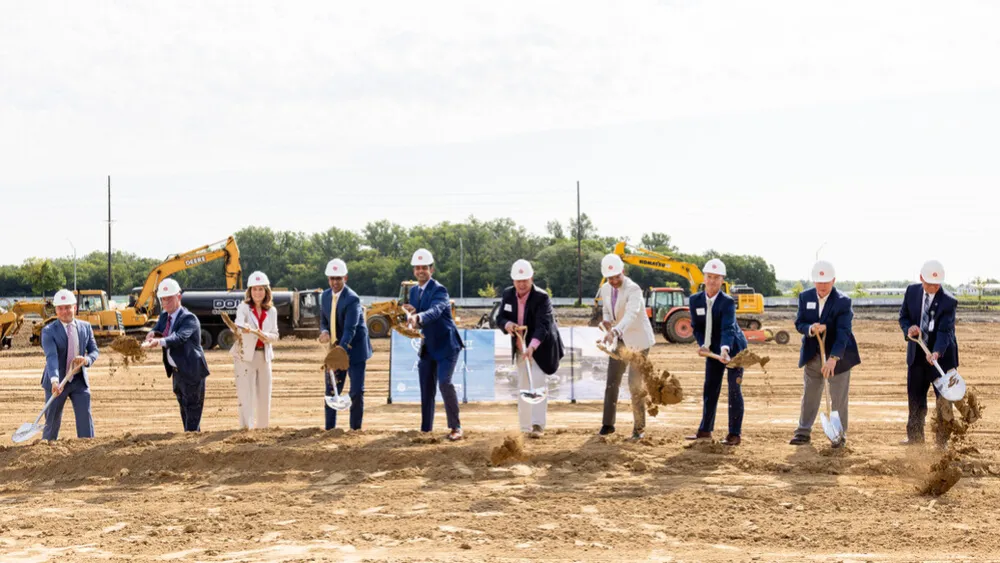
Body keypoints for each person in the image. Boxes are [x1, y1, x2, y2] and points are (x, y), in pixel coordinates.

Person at [789, 261, 861, 447]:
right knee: (810, 394)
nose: (822, 286)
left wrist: (833, 359)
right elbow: (799, 323)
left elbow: (843, 331)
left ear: (833, 281)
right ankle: (803, 432)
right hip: (813, 354)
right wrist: (811, 328)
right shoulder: (805, 297)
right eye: (818, 282)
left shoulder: (843, 301)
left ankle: (839, 435)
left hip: (840, 356)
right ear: (813, 281)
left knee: (838, 397)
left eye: (826, 282)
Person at [495, 259, 564, 439]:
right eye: (518, 280)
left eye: (525, 279)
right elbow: (499, 318)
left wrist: (532, 346)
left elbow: (543, 326)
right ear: (513, 281)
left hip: (539, 348)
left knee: (538, 385)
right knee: (523, 387)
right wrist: (508, 324)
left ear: (532, 278)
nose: (522, 284)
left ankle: (538, 425)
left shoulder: (542, 297)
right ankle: (525, 427)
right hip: (520, 348)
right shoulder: (508, 295)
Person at [402, 248, 465, 441]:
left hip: (447, 345)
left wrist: (418, 316)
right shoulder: (413, 291)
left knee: (444, 382)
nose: (421, 271)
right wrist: (411, 313)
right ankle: (426, 429)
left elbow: (436, 311)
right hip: (428, 346)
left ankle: (456, 427)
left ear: (432, 269)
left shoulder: (439, 290)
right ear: (414, 270)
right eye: (418, 268)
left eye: (425, 268)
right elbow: (419, 311)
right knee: (426, 386)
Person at [686, 259, 748, 446]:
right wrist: (703, 344)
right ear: (704, 278)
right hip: (712, 349)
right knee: (710, 388)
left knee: (734, 390)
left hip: (734, 350)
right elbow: (696, 327)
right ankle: (705, 430)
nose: (712, 281)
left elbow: (728, 328)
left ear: (722, 280)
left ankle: (734, 434)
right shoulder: (695, 300)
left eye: (716, 278)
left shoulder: (727, 302)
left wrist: (725, 349)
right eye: (709, 277)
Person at [898, 260, 959, 446]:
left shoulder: (949, 302)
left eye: (937, 284)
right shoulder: (911, 292)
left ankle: (942, 442)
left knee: (944, 402)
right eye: (929, 283)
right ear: (921, 278)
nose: (933, 287)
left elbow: (945, 331)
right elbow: (903, 317)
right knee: (915, 398)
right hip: (917, 356)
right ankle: (915, 438)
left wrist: (937, 352)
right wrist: (909, 329)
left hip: (942, 358)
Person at [596, 253, 656, 440]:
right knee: (612, 380)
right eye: (610, 278)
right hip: (620, 339)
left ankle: (639, 429)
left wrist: (614, 332)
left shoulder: (634, 289)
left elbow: (631, 315)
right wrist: (606, 322)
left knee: (634, 384)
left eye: (616, 277)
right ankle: (608, 425)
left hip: (639, 341)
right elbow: (606, 309)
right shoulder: (605, 289)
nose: (613, 281)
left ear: (623, 271)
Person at [143, 278, 210, 432]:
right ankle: (190, 442)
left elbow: (178, 338)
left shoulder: (189, 318)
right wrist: (153, 333)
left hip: (192, 371)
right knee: (184, 410)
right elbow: (159, 328)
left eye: (169, 298)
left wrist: (158, 342)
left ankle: (191, 445)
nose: (165, 302)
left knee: (192, 412)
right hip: (177, 372)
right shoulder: (165, 316)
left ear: (178, 297)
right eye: (163, 299)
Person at [319, 258, 372, 430]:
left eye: (338, 278)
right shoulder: (325, 296)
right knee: (331, 391)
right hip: (337, 347)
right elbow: (324, 320)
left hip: (354, 350)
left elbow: (351, 328)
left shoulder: (352, 299)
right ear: (328, 279)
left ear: (345, 278)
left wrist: (339, 353)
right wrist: (324, 331)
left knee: (356, 391)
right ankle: (329, 429)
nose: (335, 282)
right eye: (332, 278)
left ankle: (355, 430)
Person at [40, 289, 99, 440]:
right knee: (52, 422)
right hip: (57, 382)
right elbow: (51, 357)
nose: (64, 311)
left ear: (75, 307)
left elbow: (94, 351)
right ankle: (47, 450)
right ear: (56, 310)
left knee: (85, 417)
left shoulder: (85, 327)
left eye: (67, 307)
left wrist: (87, 360)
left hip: (78, 380)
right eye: (60, 308)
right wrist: (54, 380)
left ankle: (88, 450)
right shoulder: (48, 331)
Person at [230, 271, 280, 429]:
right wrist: (243, 328)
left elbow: (276, 335)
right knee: (246, 393)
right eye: (254, 289)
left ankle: (263, 427)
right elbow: (238, 324)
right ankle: (247, 428)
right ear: (249, 291)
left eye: (260, 289)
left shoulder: (272, 311)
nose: (257, 292)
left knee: (265, 393)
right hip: (245, 356)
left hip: (264, 355)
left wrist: (265, 336)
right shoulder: (243, 307)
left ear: (266, 291)